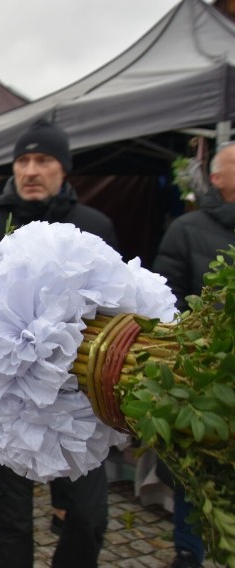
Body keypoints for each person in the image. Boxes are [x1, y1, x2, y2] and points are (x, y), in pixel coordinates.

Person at [0, 119, 117, 568]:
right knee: (12, 520)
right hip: (7, 401)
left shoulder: (94, 227)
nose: (30, 169)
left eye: (43, 159)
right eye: (23, 160)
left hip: (78, 404)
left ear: (63, 168)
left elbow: (118, 315)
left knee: (87, 517)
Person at [151, 142, 235, 568]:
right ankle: (189, 550)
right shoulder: (187, 230)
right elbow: (167, 305)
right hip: (206, 380)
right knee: (199, 470)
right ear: (217, 178)